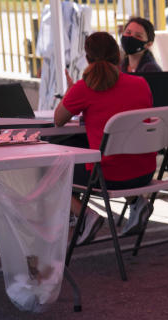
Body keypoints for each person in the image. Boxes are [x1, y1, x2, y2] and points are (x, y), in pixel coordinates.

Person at [55, 31, 156, 245]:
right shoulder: (141, 84)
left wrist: (72, 91)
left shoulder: (84, 88)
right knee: (106, 151)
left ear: (87, 58)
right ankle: (136, 201)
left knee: (48, 169)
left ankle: (86, 214)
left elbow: (58, 120)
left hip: (108, 177)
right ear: (118, 56)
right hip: (144, 173)